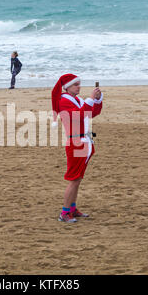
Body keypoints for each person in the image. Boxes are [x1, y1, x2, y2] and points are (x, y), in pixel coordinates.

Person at [51, 74, 103, 223]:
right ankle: (64, 213)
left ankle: (72, 209)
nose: (79, 86)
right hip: (76, 143)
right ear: (67, 87)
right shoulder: (63, 101)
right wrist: (91, 99)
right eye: (76, 85)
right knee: (74, 179)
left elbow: (92, 113)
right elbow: (79, 116)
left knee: (78, 179)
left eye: (79, 84)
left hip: (83, 140)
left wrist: (97, 100)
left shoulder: (77, 100)